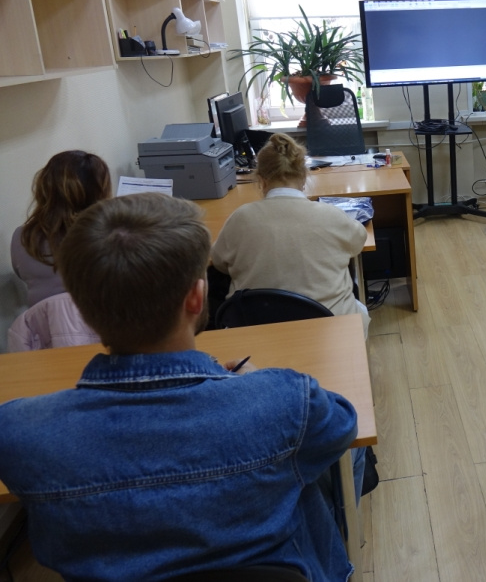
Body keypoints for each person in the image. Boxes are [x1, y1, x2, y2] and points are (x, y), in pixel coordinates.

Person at [0, 193, 362, 581]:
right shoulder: (286, 401)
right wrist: (255, 384)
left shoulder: (19, 432)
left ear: (82, 309)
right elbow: (343, 426)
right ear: (196, 296)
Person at [211, 133, 370, 335]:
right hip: (328, 331)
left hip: (255, 331)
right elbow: (358, 242)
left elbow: (219, 262)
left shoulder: (240, 218)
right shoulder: (331, 216)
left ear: (261, 180)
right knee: (359, 307)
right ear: (304, 177)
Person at [10, 150, 111, 308]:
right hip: (101, 320)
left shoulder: (23, 237)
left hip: (45, 322)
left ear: (44, 187)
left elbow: (23, 275)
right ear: (100, 191)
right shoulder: (107, 236)